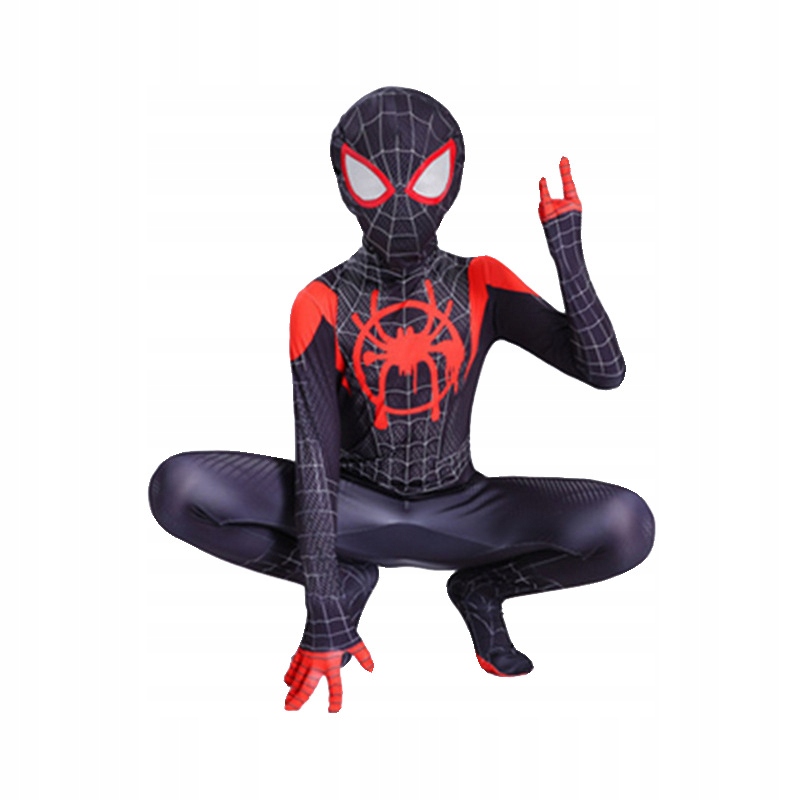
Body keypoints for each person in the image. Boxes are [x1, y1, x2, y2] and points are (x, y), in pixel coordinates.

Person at [149, 87, 654, 713]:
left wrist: (567, 253)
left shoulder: (480, 280)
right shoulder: (321, 302)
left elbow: (604, 371)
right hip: (350, 509)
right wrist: (325, 609)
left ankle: (483, 591)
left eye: (425, 179)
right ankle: (348, 576)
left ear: (452, 178)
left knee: (627, 526)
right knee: (179, 486)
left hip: (463, 509)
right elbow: (315, 459)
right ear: (345, 183)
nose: (400, 204)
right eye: (373, 182)